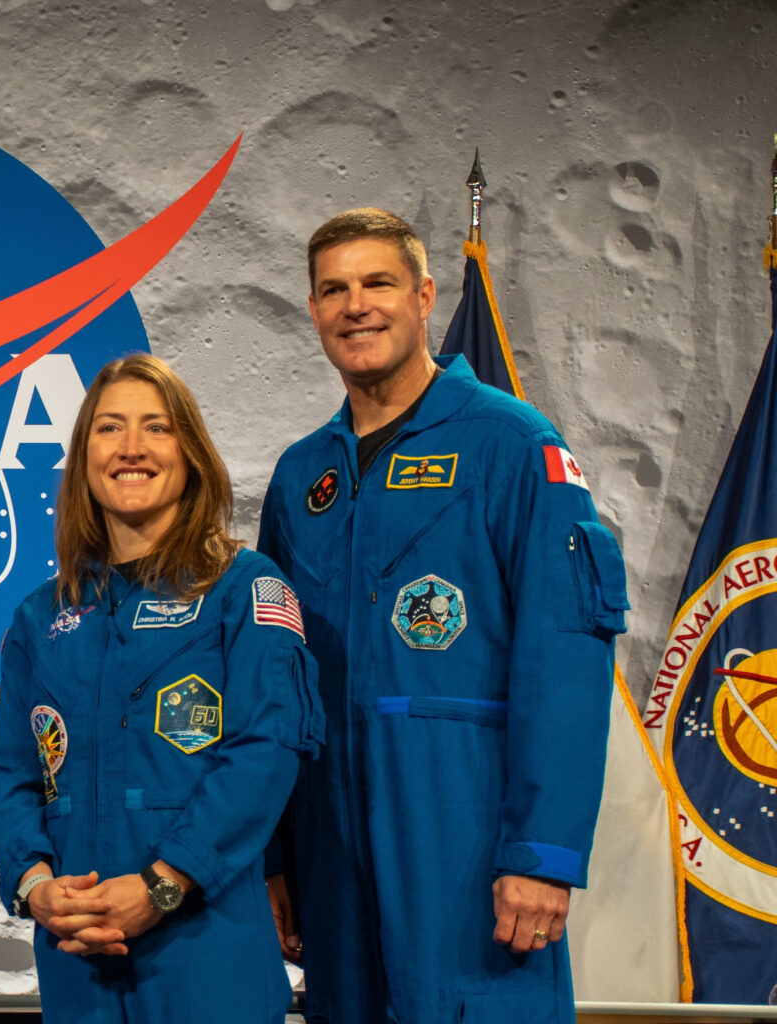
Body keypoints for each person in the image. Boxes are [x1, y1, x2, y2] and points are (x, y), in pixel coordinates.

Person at [258, 208, 629, 1023]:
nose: (357, 305)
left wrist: (542, 852)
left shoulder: (510, 444)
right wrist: (277, 859)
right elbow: (275, 683)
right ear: (314, 311)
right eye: (334, 290)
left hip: (464, 840)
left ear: (424, 296)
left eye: (378, 283)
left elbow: (566, 657)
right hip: (330, 849)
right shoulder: (300, 480)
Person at [0, 353, 324, 1021]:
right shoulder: (42, 617)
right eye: (110, 429)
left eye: (156, 428)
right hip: (79, 953)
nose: (131, 448)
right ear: (84, 457)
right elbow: (12, 776)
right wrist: (36, 887)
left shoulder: (244, 590)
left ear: (191, 453)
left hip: (205, 947)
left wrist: (163, 888)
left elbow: (266, 751)